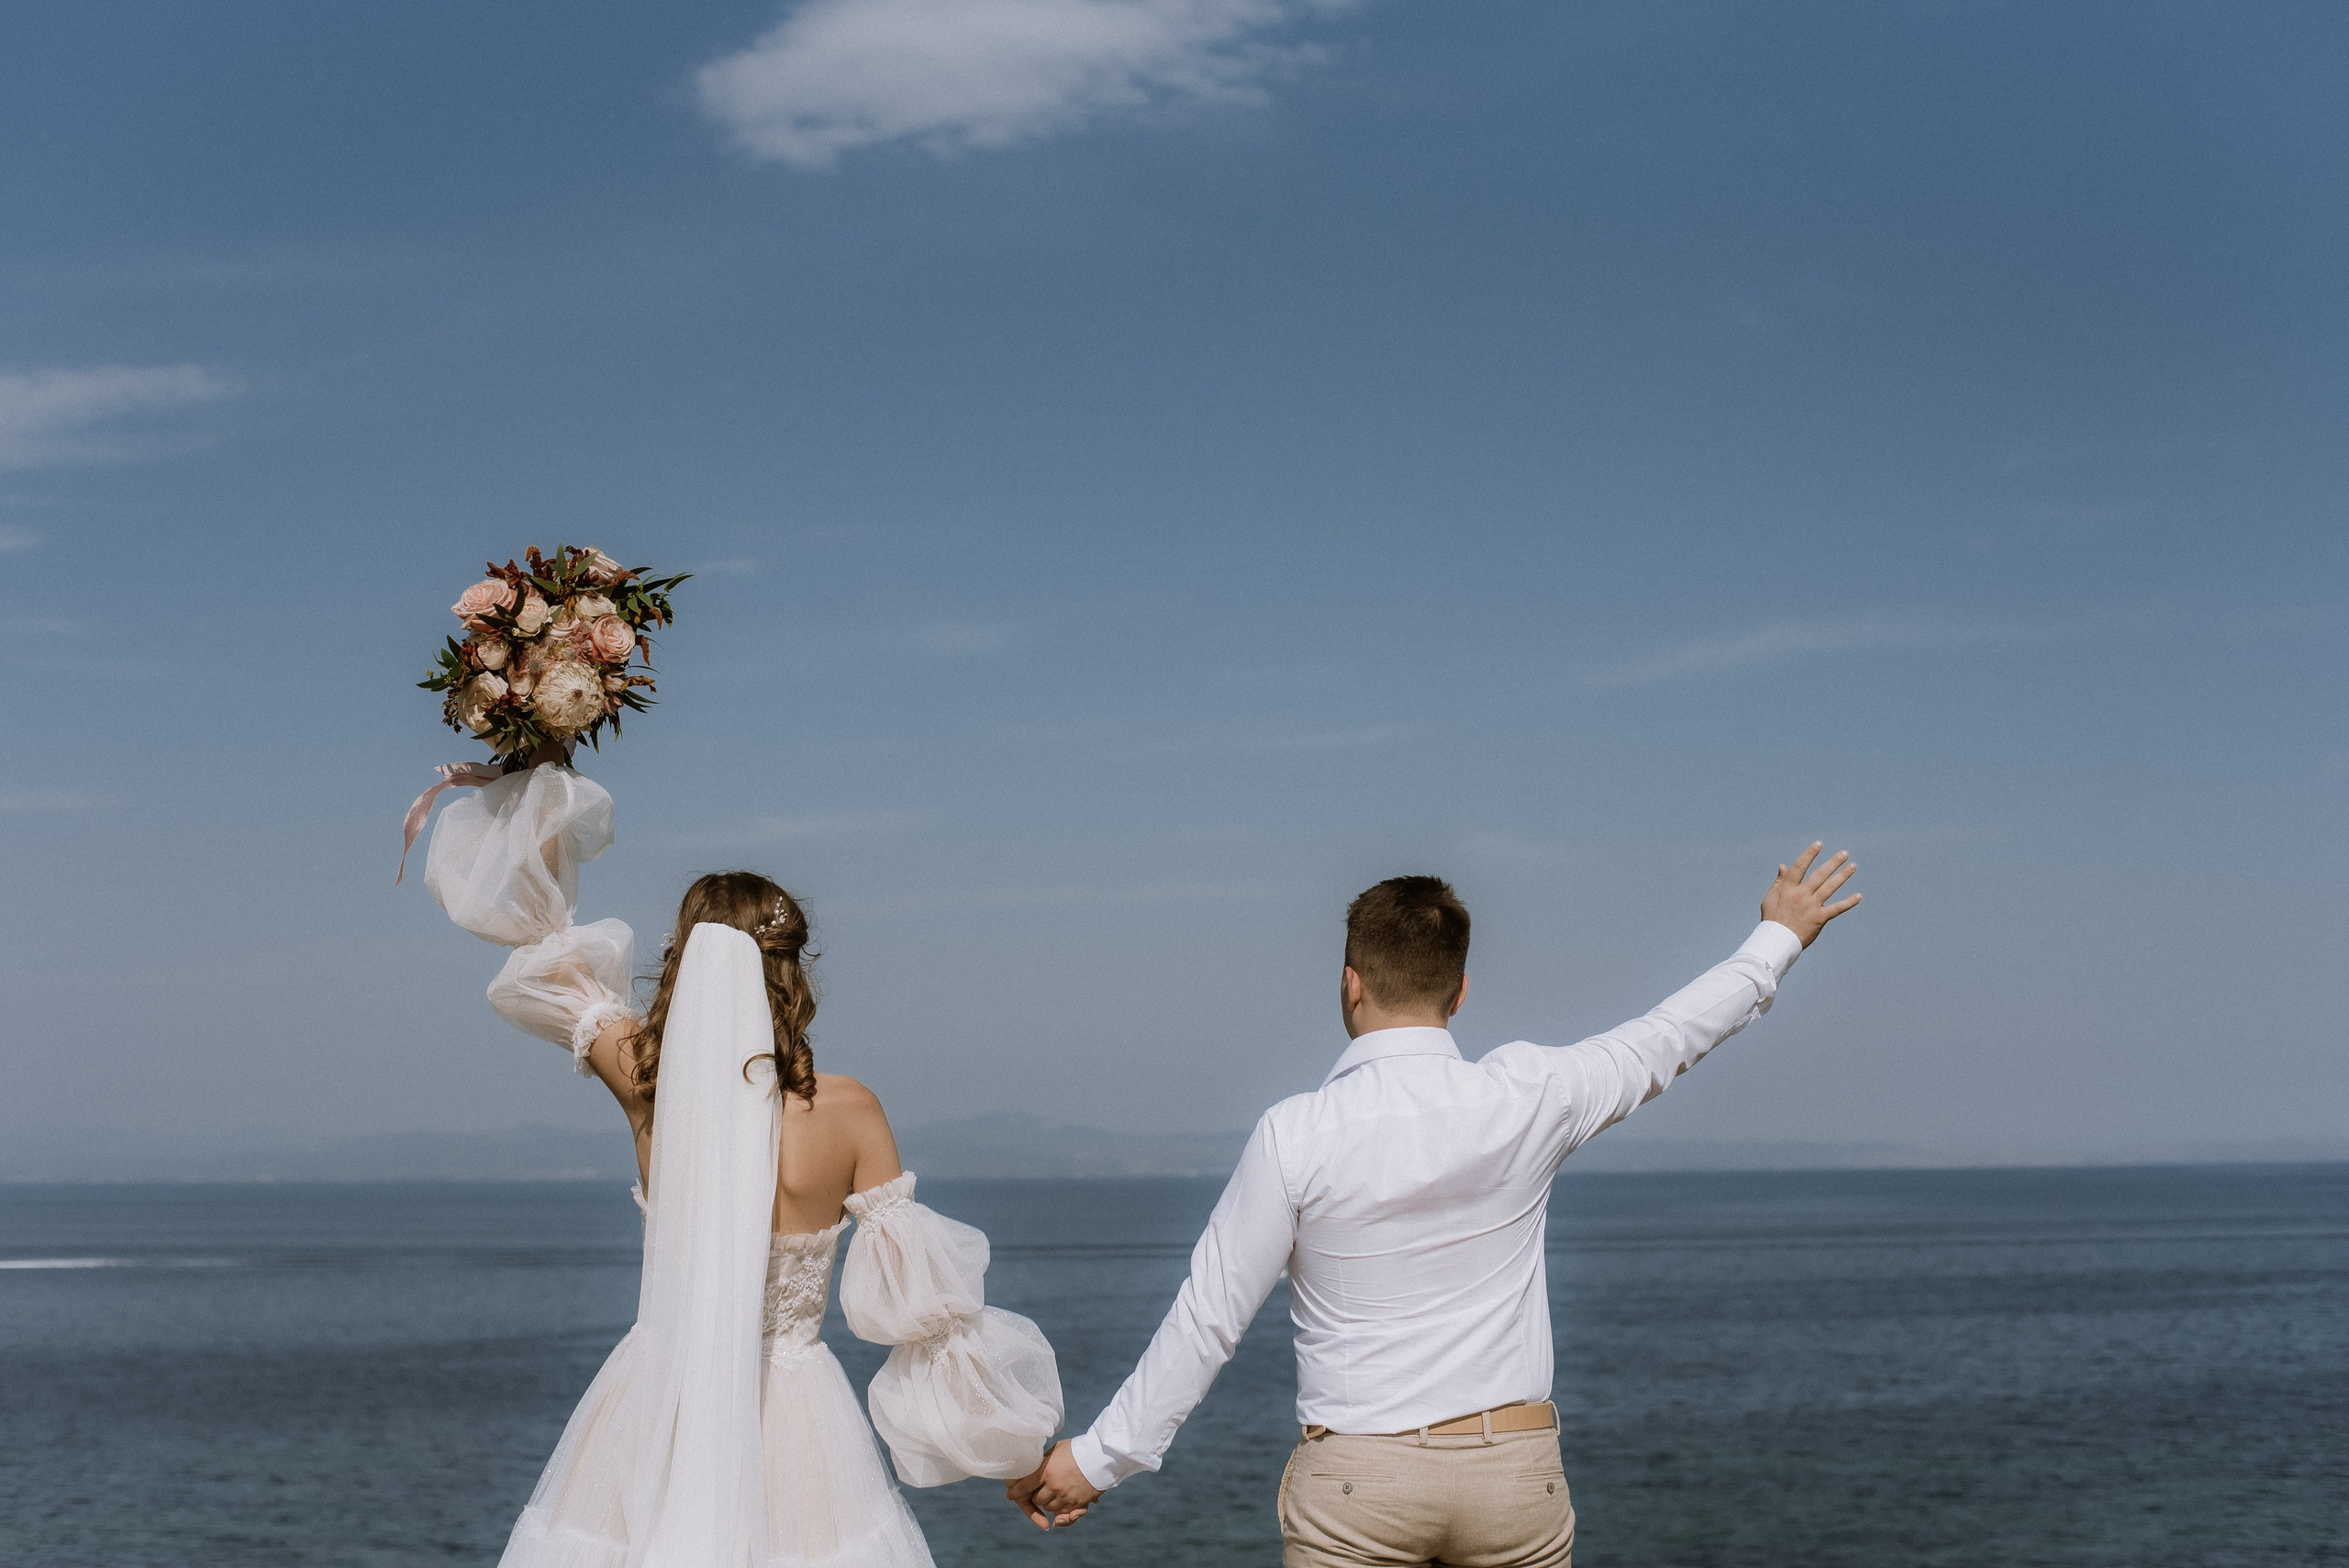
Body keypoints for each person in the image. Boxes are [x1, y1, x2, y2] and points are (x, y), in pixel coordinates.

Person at [1009, 842, 1863, 1566]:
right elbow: (1669, 1034)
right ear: (1459, 993)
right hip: (1513, 1477)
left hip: (1360, 1487)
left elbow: (1209, 1319)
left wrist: (1097, 1459)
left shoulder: (1295, 1132)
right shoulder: (1534, 1093)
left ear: (1350, 983)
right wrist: (1778, 936)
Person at [422, 758, 1062, 1568]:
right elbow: (931, 1320)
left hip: (662, 1405)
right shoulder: (851, 1109)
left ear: (684, 963)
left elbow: (545, 943)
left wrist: (542, 771)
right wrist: (1018, 1456)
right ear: (791, 965)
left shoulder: (648, 1079)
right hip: (795, 1421)